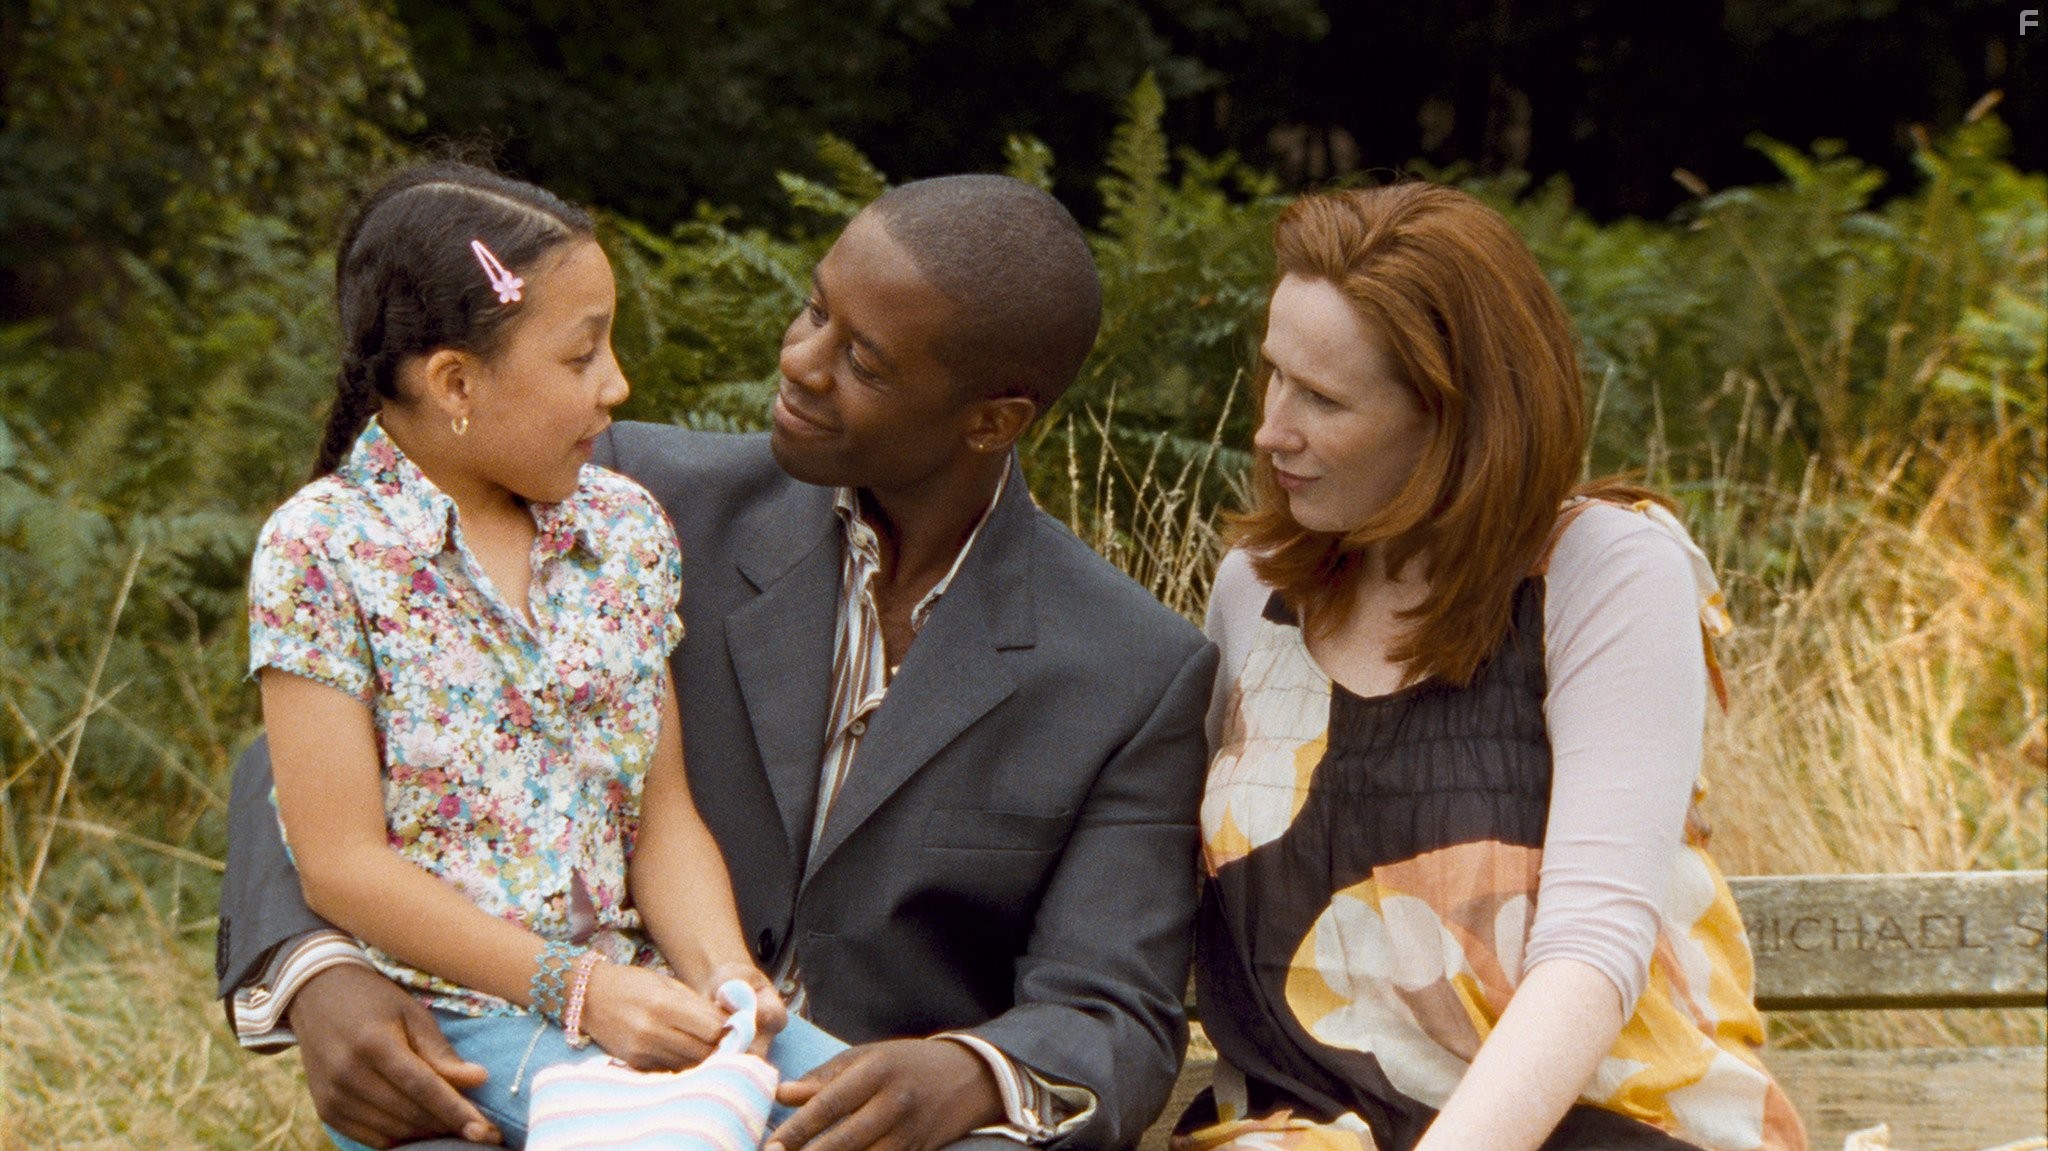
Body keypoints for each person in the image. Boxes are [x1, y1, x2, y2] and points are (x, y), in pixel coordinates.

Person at [217, 172, 1218, 1151]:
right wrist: (315, 968)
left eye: (862, 360)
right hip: (532, 1052)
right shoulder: (612, 488)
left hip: (834, 1102)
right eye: (810, 309)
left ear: (990, 419)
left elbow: (1114, 1013)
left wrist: (963, 1074)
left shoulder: (1132, 667)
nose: (797, 360)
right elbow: (319, 757)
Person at [1183, 184, 1807, 1151]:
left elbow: (1591, 952)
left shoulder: (1603, 571)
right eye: (1273, 376)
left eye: (1323, 398)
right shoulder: (1255, 592)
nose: (1271, 429)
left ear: (1452, 420)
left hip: (1585, 1128)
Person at [244, 161, 844, 1149]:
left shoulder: (624, 529)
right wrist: (575, 990)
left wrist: (725, 970)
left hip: (635, 997)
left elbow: (660, 818)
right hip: (453, 1020)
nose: (618, 385)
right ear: (455, 383)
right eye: (581, 355)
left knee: (888, 1118)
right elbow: (342, 864)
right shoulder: (320, 550)